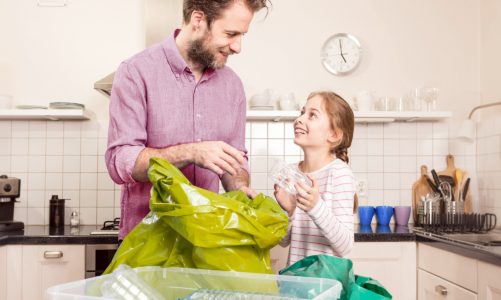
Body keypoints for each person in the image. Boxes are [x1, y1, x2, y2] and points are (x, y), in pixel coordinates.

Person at [105, 0, 270, 241]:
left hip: (204, 242)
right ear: (198, 20)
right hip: (148, 243)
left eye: (242, 35)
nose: (238, 47)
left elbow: (235, 160)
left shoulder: (232, 85)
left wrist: (239, 187)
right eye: (231, 34)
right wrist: (191, 152)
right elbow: (120, 161)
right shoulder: (136, 72)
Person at [274, 91, 357, 266]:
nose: (300, 119)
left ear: (334, 134)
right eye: (302, 113)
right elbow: (283, 241)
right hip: (295, 282)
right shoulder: (291, 172)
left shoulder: (339, 173)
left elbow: (345, 245)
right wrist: (289, 212)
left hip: (326, 286)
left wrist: (315, 207)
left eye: (312, 115)